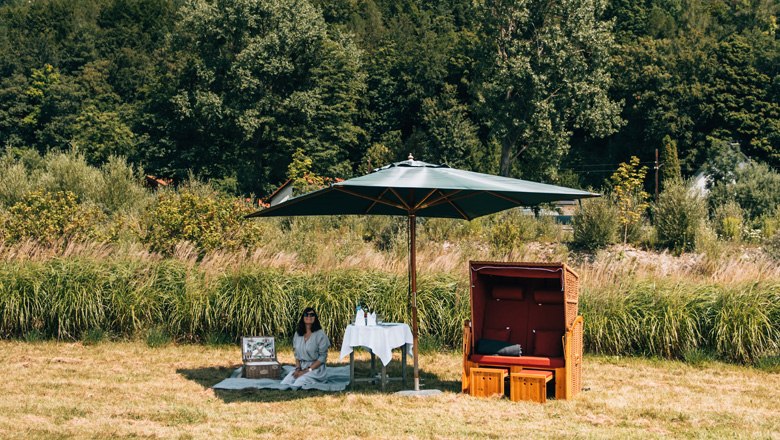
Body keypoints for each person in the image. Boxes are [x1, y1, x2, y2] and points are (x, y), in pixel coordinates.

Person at [280, 307, 330, 389]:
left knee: (298, 383)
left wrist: (306, 371)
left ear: (315, 318)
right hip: (301, 366)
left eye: (312, 315)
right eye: (306, 314)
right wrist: (298, 369)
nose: (309, 317)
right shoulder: (298, 334)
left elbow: (322, 357)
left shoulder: (320, 335)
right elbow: (296, 355)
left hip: (315, 369)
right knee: (286, 382)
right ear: (303, 317)